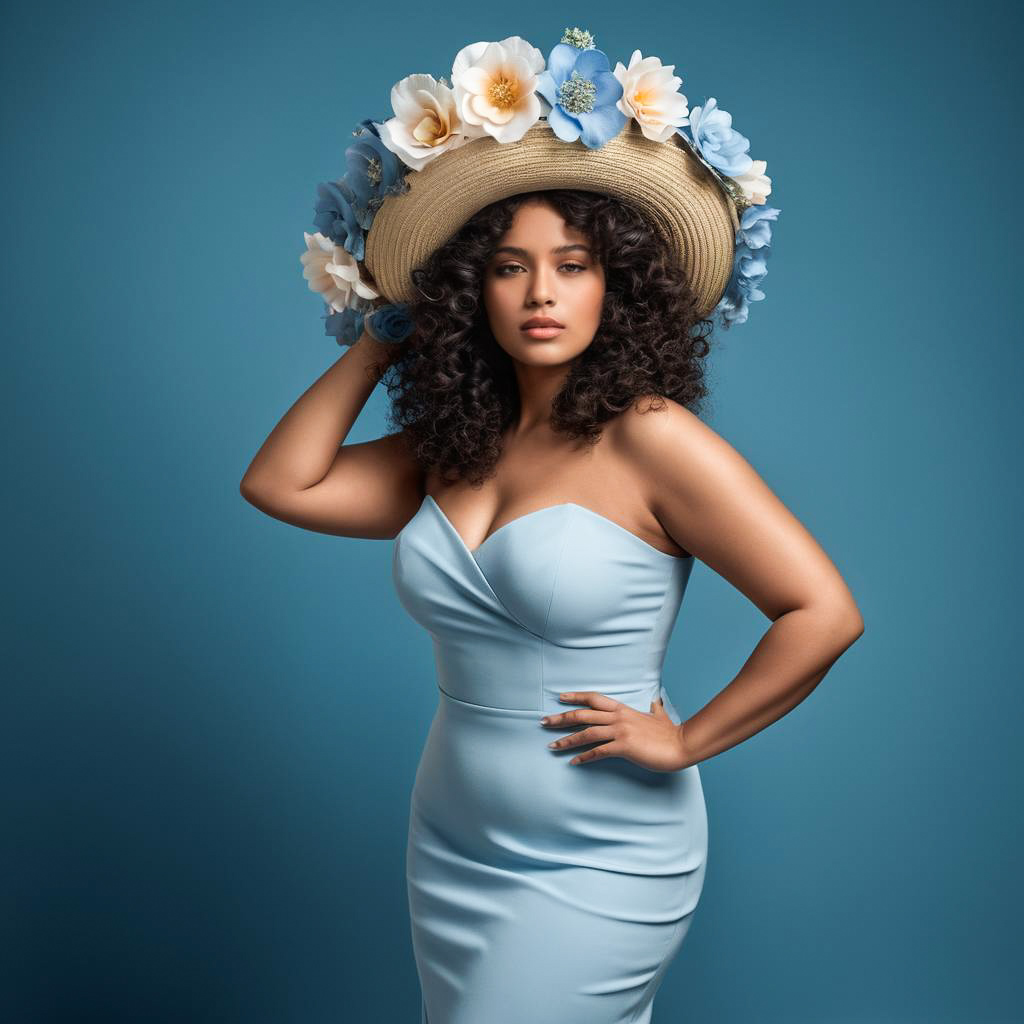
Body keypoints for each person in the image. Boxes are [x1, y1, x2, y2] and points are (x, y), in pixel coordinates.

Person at [240, 30, 864, 1023]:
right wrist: (381, 333)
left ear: (615, 281)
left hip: (603, 848)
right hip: (451, 835)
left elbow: (822, 612)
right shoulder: (452, 441)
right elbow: (281, 483)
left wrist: (687, 739)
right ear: (465, 291)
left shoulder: (652, 440)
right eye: (506, 267)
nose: (540, 294)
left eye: (572, 265)